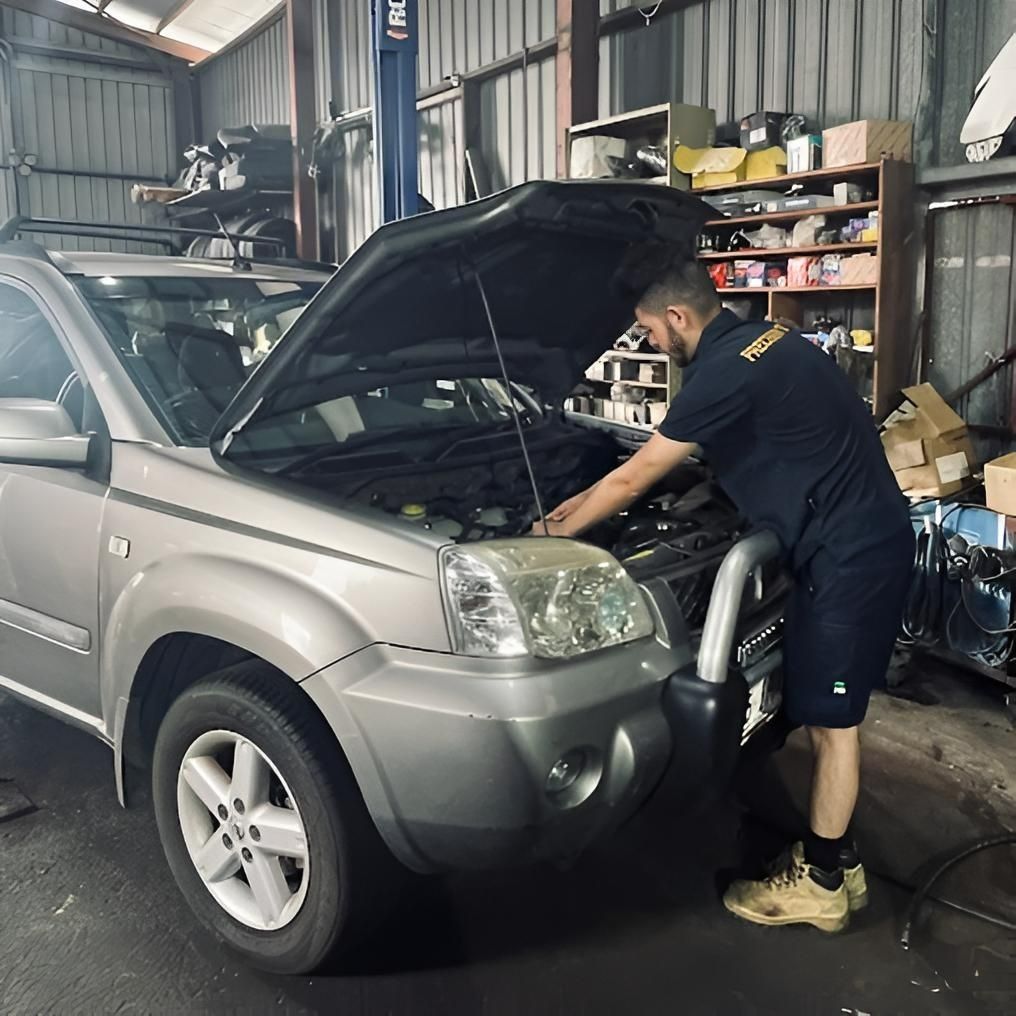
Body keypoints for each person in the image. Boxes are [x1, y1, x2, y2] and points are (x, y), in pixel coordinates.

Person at [535, 246, 915, 933]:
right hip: (856, 538)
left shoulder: (720, 376)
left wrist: (542, 536)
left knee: (834, 727)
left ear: (678, 316)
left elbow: (631, 480)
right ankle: (840, 856)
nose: (652, 341)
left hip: (852, 558)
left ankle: (823, 883)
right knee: (825, 716)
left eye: (650, 330)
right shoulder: (767, 340)